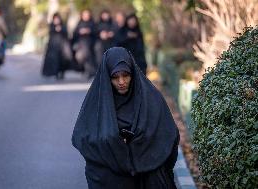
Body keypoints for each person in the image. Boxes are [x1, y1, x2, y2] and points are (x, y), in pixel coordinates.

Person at [72, 47, 179, 189]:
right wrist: (112, 142)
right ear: (107, 77)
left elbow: (169, 135)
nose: (121, 81)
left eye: (126, 75)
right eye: (115, 77)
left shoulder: (151, 99)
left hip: (148, 167)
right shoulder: (97, 104)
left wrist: (137, 143)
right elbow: (84, 139)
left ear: (133, 74)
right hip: (111, 170)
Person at [42, 13, 72, 79]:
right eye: (55, 19)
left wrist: (61, 29)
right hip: (53, 47)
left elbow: (67, 34)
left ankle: (62, 72)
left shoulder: (63, 26)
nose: (56, 20)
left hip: (62, 47)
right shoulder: (51, 26)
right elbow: (50, 34)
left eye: (57, 19)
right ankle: (55, 73)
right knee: (54, 60)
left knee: (63, 60)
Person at [72, 9, 96, 79]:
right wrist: (80, 31)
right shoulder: (79, 23)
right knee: (80, 57)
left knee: (87, 55)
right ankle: (84, 69)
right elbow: (74, 33)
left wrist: (89, 31)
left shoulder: (92, 23)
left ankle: (89, 71)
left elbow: (96, 31)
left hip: (90, 43)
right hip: (80, 43)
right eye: (84, 15)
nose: (86, 16)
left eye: (87, 15)